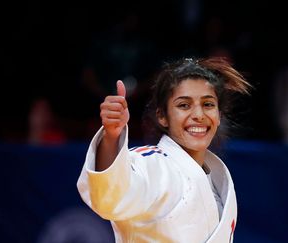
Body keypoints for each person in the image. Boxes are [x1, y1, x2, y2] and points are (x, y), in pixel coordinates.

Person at [77, 56, 251, 242]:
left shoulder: (217, 182)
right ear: (162, 116)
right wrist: (112, 136)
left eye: (208, 104)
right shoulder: (154, 164)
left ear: (219, 115)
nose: (199, 115)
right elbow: (110, 198)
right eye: (184, 105)